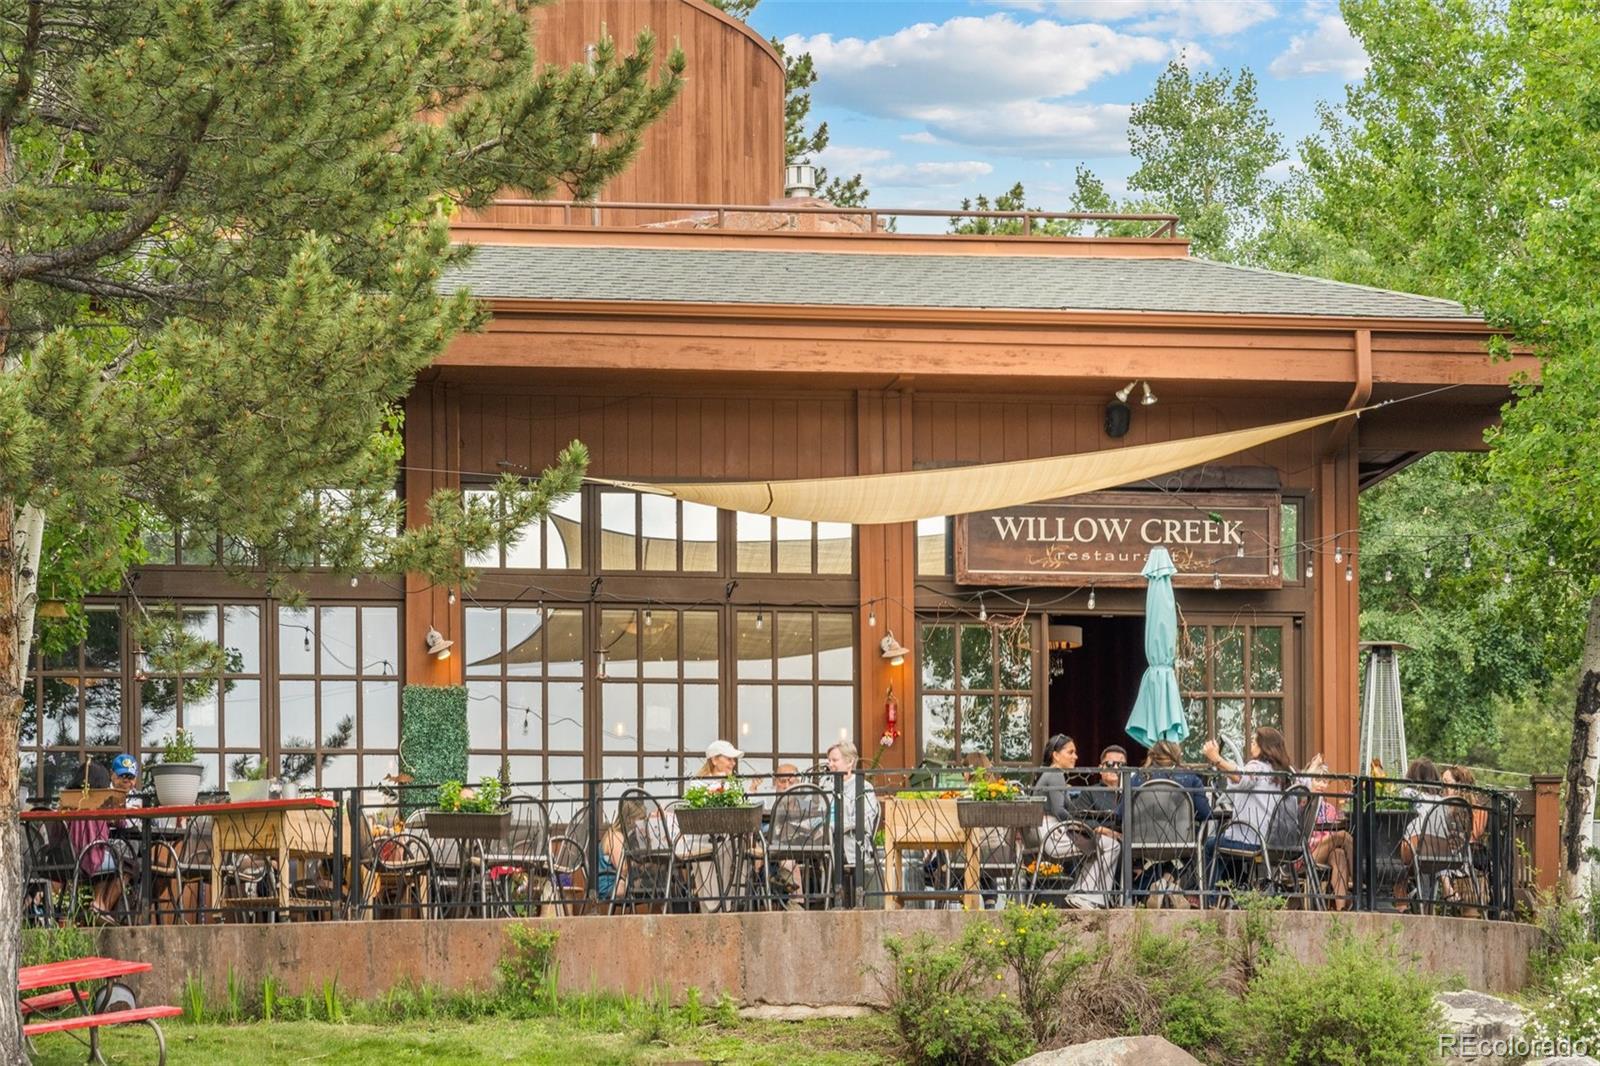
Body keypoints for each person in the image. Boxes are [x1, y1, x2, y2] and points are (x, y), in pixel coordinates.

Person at [1202, 726, 1295, 899]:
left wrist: (1216, 759)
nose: (1251, 744)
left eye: (1254, 741)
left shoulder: (1257, 766)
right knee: (1225, 847)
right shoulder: (1282, 772)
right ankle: (1236, 892)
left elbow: (1242, 777)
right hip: (1275, 838)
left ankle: (1210, 899)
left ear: (1264, 746)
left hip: (1252, 837)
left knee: (1210, 845)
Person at [1304, 753, 1354, 911]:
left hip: (1325, 854)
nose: (1320, 784)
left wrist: (1348, 798)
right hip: (1306, 854)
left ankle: (1341, 911)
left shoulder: (1330, 809)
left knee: (1339, 855)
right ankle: (1359, 883)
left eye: (1325, 781)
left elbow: (1341, 821)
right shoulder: (1303, 802)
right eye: (1316, 779)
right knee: (1343, 837)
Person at [1070, 745, 1126, 822]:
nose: (1116, 768)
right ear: (1100, 769)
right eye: (1110, 764)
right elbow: (1082, 819)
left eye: (1120, 765)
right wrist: (1104, 831)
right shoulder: (1089, 792)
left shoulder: (1132, 792)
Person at [1034, 734, 1078, 822]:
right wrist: (1079, 823)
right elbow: (1059, 811)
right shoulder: (1055, 774)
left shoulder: (1049, 772)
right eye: (1070, 752)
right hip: (1051, 830)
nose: (1076, 757)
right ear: (1056, 756)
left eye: (1075, 753)